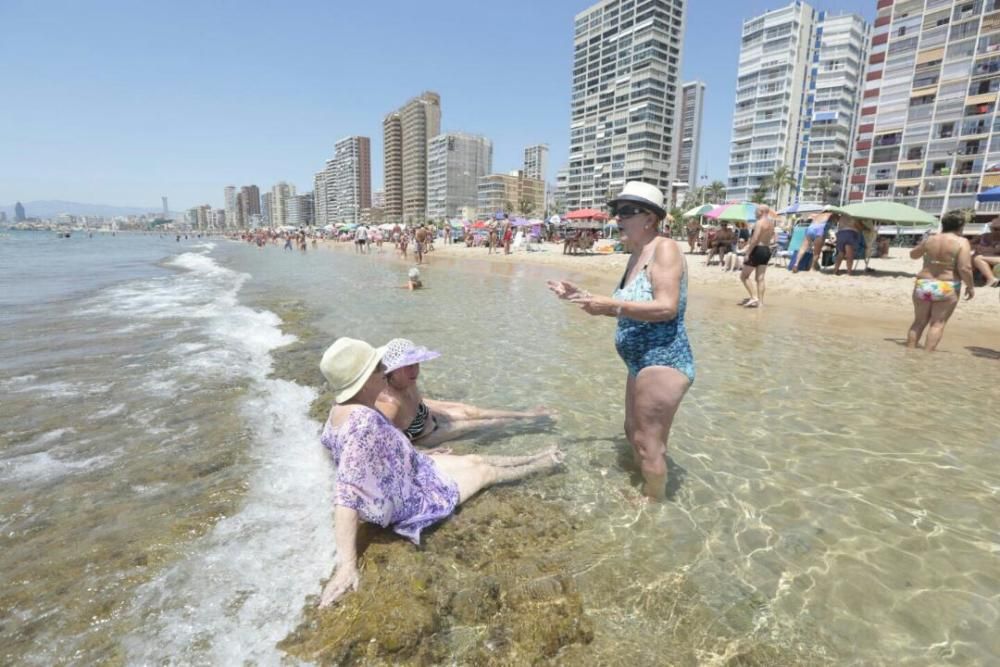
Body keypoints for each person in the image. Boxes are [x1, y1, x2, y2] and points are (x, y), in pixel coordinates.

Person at [316, 337, 564, 606]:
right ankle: (542, 464)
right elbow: (347, 493)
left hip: (409, 469)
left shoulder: (341, 410)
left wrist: (419, 454)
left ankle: (535, 457)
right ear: (365, 380)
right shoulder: (362, 422)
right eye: (378, 368)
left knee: (474, 458)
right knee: (484, 472)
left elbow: (359, 449)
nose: (384, 372)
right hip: (404, 496)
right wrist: (347, 565)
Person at [547, 181, 693, 500]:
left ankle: (653, 506)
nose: (617, 219)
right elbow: (626, 310)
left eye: (626, 212)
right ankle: (644, 483)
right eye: (617, 211)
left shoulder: (665, 248)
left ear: (650, 219)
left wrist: (610, 304)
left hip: (663, 359)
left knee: (648, 443)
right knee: (632, 432)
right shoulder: (636, 255)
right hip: (639, 361)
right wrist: (584, 298)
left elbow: (667, 308)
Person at [375, 338, 553, 448]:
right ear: (391, 371)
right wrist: (424, 452)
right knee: (484, 424)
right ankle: (534, 424)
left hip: (426, 415)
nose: (414, 370)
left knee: (473, 411)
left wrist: (454, 406)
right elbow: (384, 446)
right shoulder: (390, 405)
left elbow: (420, 402)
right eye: (406, 366)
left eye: (415, 363)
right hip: (425, 436)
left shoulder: (407, 381)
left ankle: (527, 415)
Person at [906, 210, 975, 351]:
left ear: (943, 224)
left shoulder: (930, 239)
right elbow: (965, 268)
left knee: (918, 322)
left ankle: (910, 353)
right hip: (946, 285)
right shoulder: (962, 242)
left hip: (924, 284)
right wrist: (970, 286)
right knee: (937, 324)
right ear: (961, 226)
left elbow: (913, 255)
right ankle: (927, 357)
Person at [739, 206, 776, 308]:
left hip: (757, 249)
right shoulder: (771, 223)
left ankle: (754, 297)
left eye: (756, 211)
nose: (754, 213)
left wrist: (748, 253)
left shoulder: (759, 223)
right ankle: (761, 303)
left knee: (744, 276)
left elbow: (755, 239)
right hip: (766, 250)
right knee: (760, 278)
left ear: (761, 211)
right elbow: (773, 238)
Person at [972, 217, 1000, 286]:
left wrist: (984, 249)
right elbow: (969, 244)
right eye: (994, 229)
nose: (996, 231)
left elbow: (996, 250)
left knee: (978, 258)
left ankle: (991, 279)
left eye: (998, 229)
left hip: (995, 258)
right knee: (973, 256)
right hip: (991, 258)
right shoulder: (984, 236)